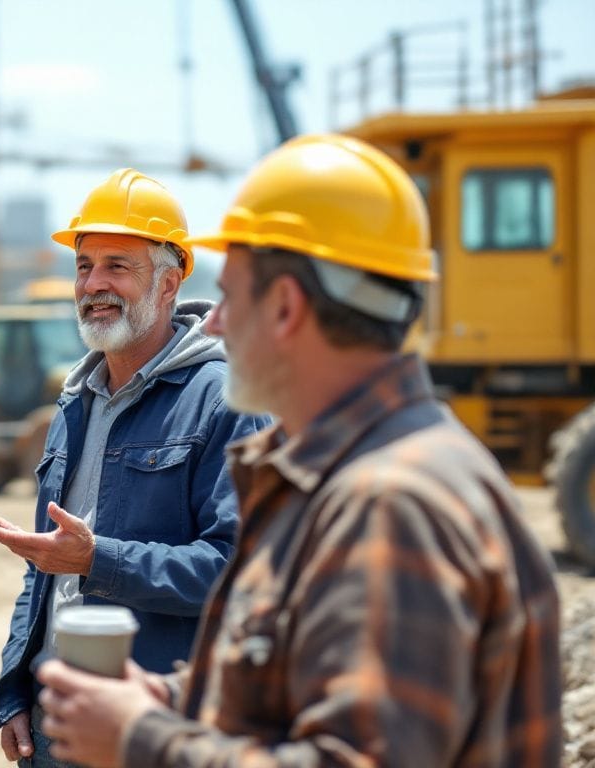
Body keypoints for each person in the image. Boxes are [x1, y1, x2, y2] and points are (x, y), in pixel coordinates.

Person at [34, 134, 563, 768]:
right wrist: (178, 696)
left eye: (230, 295)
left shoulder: (392, 503)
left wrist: (142, 738)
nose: (217, 324)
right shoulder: (348, 475)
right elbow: (297, 674)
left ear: (284, 306)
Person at [0, 169, 268, 767]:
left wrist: (97, 559)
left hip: (152, 727)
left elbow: (236, 575)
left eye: (117, 265)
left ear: (170, 282)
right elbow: (45, 569)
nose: (94, 283)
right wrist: (15, 687)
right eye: (84, 265)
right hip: (55, 721)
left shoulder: (225, 402)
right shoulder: (74, 403)